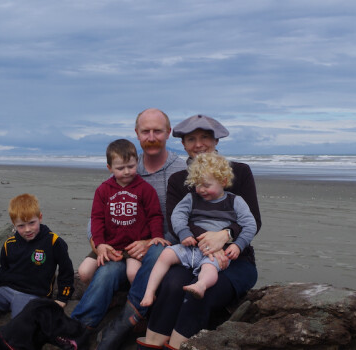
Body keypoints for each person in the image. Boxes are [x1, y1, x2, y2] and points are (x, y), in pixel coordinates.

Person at [137, 114, 262, 350]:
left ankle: (177, 346)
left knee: (203, 293)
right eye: (191, 139)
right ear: (183, 145)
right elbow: (177, 222)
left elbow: (253, 220)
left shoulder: (240, 172)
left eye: (205, 137)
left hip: (235, 259)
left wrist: (225, 236)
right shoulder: (179, 180)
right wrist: (207, 243)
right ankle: (150, 344)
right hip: (191, 254)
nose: (199, 144)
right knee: (172, 286)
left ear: (216, 141)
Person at [71, 108, 186, 349]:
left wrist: (150, 241)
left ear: (168, 133)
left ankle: (128, 319)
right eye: (146, 131)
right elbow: (98, 215)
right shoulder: (125, 163)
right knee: (102, 273)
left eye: (158, 130)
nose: (151, 136)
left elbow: (182, 219)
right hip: (118, 244)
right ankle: (78, 329)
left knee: (152, 253)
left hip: (155, 246)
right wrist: (99, 244)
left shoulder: (180, 171)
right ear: (137, 133)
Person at [141, 152, 257, 307]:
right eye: (197, 184)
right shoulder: (191, 199)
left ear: (223, 181)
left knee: (210, 269)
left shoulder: (235, 201)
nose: (201, 189)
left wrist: (238, 245)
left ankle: (201, 285)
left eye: (206, 185)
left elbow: (250, 224)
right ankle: (149, 292)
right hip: (191, 248)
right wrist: (184, 233)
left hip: (217, 253)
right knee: (166, 255)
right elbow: (177, 216)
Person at [0, 193, 75, 339]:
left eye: (32, 223)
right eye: (21, 225)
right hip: (6, 290)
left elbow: (67, 272)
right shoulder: (9, 244)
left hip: (33, 296)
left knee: (18, 323)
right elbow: (3, 269)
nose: (27, 229)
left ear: (40, 217)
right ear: (13, 223)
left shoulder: (54, 242)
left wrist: (62, 299)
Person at [77, 139, 166, 288]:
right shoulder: (103, 190)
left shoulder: (145, 189)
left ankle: (134, 302)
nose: (126, 171)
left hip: (134, 246)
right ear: (109, 168)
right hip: (110, 245)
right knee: (84, 271)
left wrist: (156, 236)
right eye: (120, 168)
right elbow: (97, 219)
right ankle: (106, 295)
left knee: (133, 273)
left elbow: (155, 216)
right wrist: (99, 244)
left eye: (131, 166)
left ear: (137, 162)